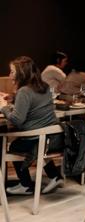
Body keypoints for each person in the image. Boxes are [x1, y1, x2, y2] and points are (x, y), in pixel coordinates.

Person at [0, 56, 64, 195]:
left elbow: (17, 120)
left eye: (12, 71)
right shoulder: (44, 86)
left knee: (15, 146)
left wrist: (3, 107)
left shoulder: (24, 91)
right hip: (52, 137)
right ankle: (55, 175)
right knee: (37, 147)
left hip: (36, 137)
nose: (10, 74)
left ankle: (26, 185)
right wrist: (13, 97)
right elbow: (33, 100)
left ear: (21, 73)